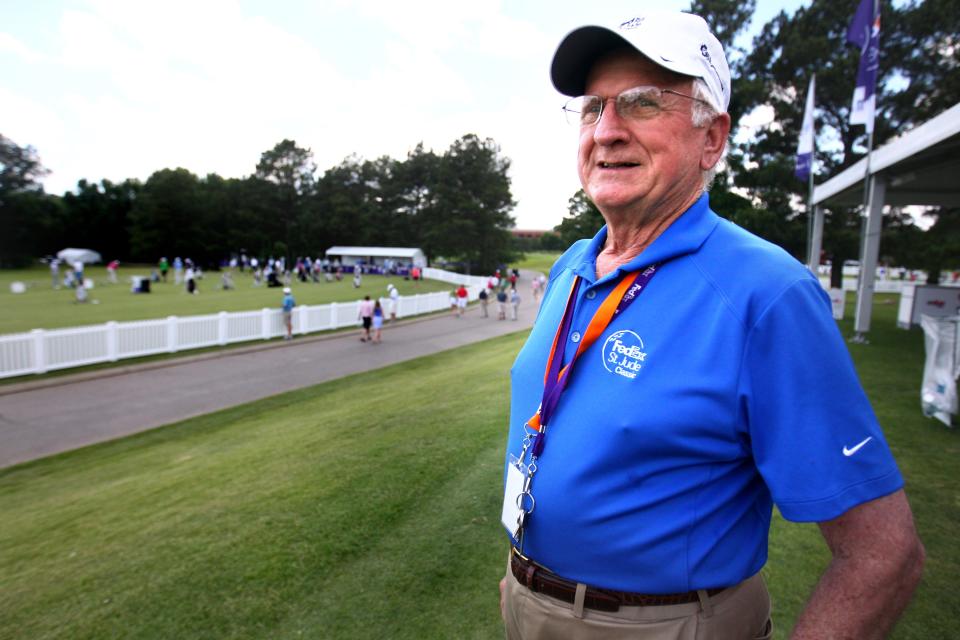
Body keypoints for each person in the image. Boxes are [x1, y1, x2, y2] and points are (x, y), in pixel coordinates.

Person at [499, 11, 924, 640]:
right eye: (593, 108)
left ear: (712, 138)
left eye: (642, 103)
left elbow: (883, 555)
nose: (606, 130)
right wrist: (521, 583)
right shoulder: (572, 266)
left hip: (660, 625)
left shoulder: (765, 292)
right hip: (529, 601)